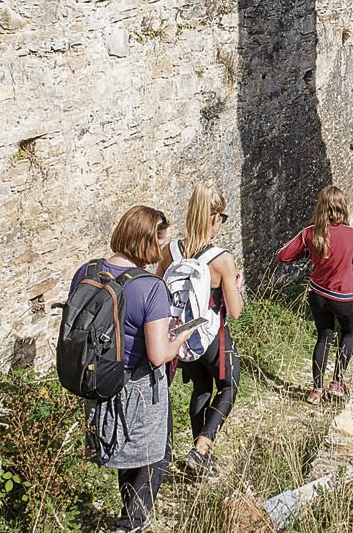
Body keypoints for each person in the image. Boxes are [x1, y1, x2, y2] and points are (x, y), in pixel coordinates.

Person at [70, 205, 198, 532]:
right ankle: (130, 524)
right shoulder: (150, 288)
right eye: (161, 243)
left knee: (127, 454)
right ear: (146, 242)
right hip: (138, 390)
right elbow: (157, 355)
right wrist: (182, 333)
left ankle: (128, 519)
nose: (162, 251)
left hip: (98, 379)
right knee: (156, 457)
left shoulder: (86, 270)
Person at [156, 183, 243, 478]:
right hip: (210, 336)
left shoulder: (169, 252)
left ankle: (198, 460)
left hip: (179, 336)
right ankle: (201, 449)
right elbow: (235, 310)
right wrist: (236, 282)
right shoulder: (221, 259)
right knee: (230, 385)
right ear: (215, 217)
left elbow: (159, 291)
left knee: (201, 388)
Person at [275, 185, 353, 405]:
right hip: (345, 296)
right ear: (342, 207)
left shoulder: (310, 233)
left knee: (324, 336)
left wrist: (307, 252)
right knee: (348, 334)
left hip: (319, 294)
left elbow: (283, 256)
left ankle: (316, 389)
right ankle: (337, 383)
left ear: (320, 208)